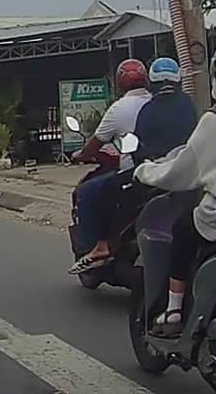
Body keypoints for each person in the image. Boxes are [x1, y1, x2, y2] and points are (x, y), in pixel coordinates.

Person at [134, 38, 216, 336]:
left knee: (183, 228)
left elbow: (180, 173)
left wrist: (145, 171)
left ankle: (173, 312)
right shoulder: (187, 107)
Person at [68, 58, 152, 274]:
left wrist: (80, 155)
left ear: (119, 83)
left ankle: (95, 247)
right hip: (161, 171)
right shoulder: (155, 103)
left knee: (87, 191)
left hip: (132, 174)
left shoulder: (118, 109)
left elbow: (95, 143)